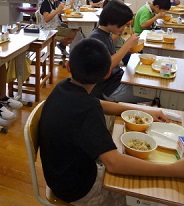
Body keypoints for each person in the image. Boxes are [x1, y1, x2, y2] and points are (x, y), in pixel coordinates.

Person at [38, 38, 179, 205]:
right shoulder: (87, 110)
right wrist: (172, 170)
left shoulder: (64, 87)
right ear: (107, 74)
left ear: (68, 66)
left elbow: (99, 104)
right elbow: (114, 163)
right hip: (77, 189)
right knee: (131, 188)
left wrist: (143, 110)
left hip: (59, 174)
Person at [89, 0, 150, 103]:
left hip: (118, 79)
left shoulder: (106, 34)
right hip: (108, 89)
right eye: (124, 25)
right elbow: (107, 66)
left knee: (152, 87)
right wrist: (127, 45)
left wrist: (130, 49)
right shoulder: (95, 38)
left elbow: (114, 57)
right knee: (157, 95)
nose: (124, 29)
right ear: (112, 21)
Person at [39, 0, 77, 65]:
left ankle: (62, 45)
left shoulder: (52, 1)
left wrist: (60, 11)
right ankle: (63, 46)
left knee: (75, 29)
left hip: (55, 26)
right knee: (75, 34)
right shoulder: (46, 2)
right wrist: (58, 10)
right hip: (49, 29)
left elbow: (54, 15)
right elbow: (46, 19)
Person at [102, 0, 131, 65]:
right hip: (117, 54)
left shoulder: (108, 30)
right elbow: (108, 65)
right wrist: (128, 45)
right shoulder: (100, 36)